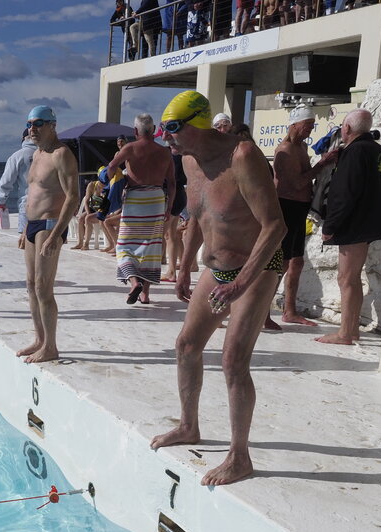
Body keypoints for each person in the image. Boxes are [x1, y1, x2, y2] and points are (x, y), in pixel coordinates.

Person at [151, 90, 288, 486]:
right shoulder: (188, 160)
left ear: (197, 124)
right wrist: (183, 268)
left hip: (257, 267)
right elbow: (200, 215)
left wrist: (241, 283)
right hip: (217, 269)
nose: (165, 137)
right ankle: (188, 426)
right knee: (186, 346)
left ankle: (239, 457)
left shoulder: (242, 157)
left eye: (172, 128)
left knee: (233, 360)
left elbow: (275, 226)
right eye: (161, 130)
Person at [316, 108, 381, 346]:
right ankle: (352, 330)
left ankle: (344, 334)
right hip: (370, 221)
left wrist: (330, 226)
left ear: (347, 128)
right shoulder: (380, 152)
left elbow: (344, 192)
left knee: (346, 278)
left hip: (354, 223)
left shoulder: (355, 151)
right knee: (352, 278)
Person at [17, 106, 79, 364]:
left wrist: (56, 234)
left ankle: (51, 346)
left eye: (39, 123)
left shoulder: (61, 154)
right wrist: (24, 228)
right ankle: (39, 339)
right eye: (30, 124)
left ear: (52, 125)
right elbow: (32, 194)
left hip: (49, 224)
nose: (33, 128)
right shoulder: (37, 154)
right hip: (32, 225)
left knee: (43, 287)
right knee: (31, 285)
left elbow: (73, 197)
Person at [273, 105, 338, 326]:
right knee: (281, 263)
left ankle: (289, 310)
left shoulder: (301, 147)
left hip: (300, 208)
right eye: (307, 125)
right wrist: (322, 163)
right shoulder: (285, 150)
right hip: (287, 207)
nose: (310, 129)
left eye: (312, 125)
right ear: (294, 124)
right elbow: (298, 183)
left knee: (297, 262)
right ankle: (262, 311)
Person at [103, 113, 175, 305]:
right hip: (157, 199)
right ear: (153, 130)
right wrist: (168, 207)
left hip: (135, 199)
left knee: (124, 245)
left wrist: (112, 184)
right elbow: (172, 183)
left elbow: (111, 167)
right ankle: (145, 295)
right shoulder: (165, 152)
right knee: (150, 247)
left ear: (135, 131)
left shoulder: (130, 148)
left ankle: (134, 282)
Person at [0, 129, 37, 250]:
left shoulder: (17, 156)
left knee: (27, 246)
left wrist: (1, 201)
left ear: (24, 139)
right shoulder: (48, 154)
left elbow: (6, 181)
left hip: (27, 204)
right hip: (49, 207)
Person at [161, 150, 188, 282]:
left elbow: (170, 180)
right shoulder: (183, 155)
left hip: (172, 195)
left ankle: (150, 270)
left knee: (160, 235)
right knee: (170, 235)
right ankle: (171, 272)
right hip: (180, 194)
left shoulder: (170, 156)